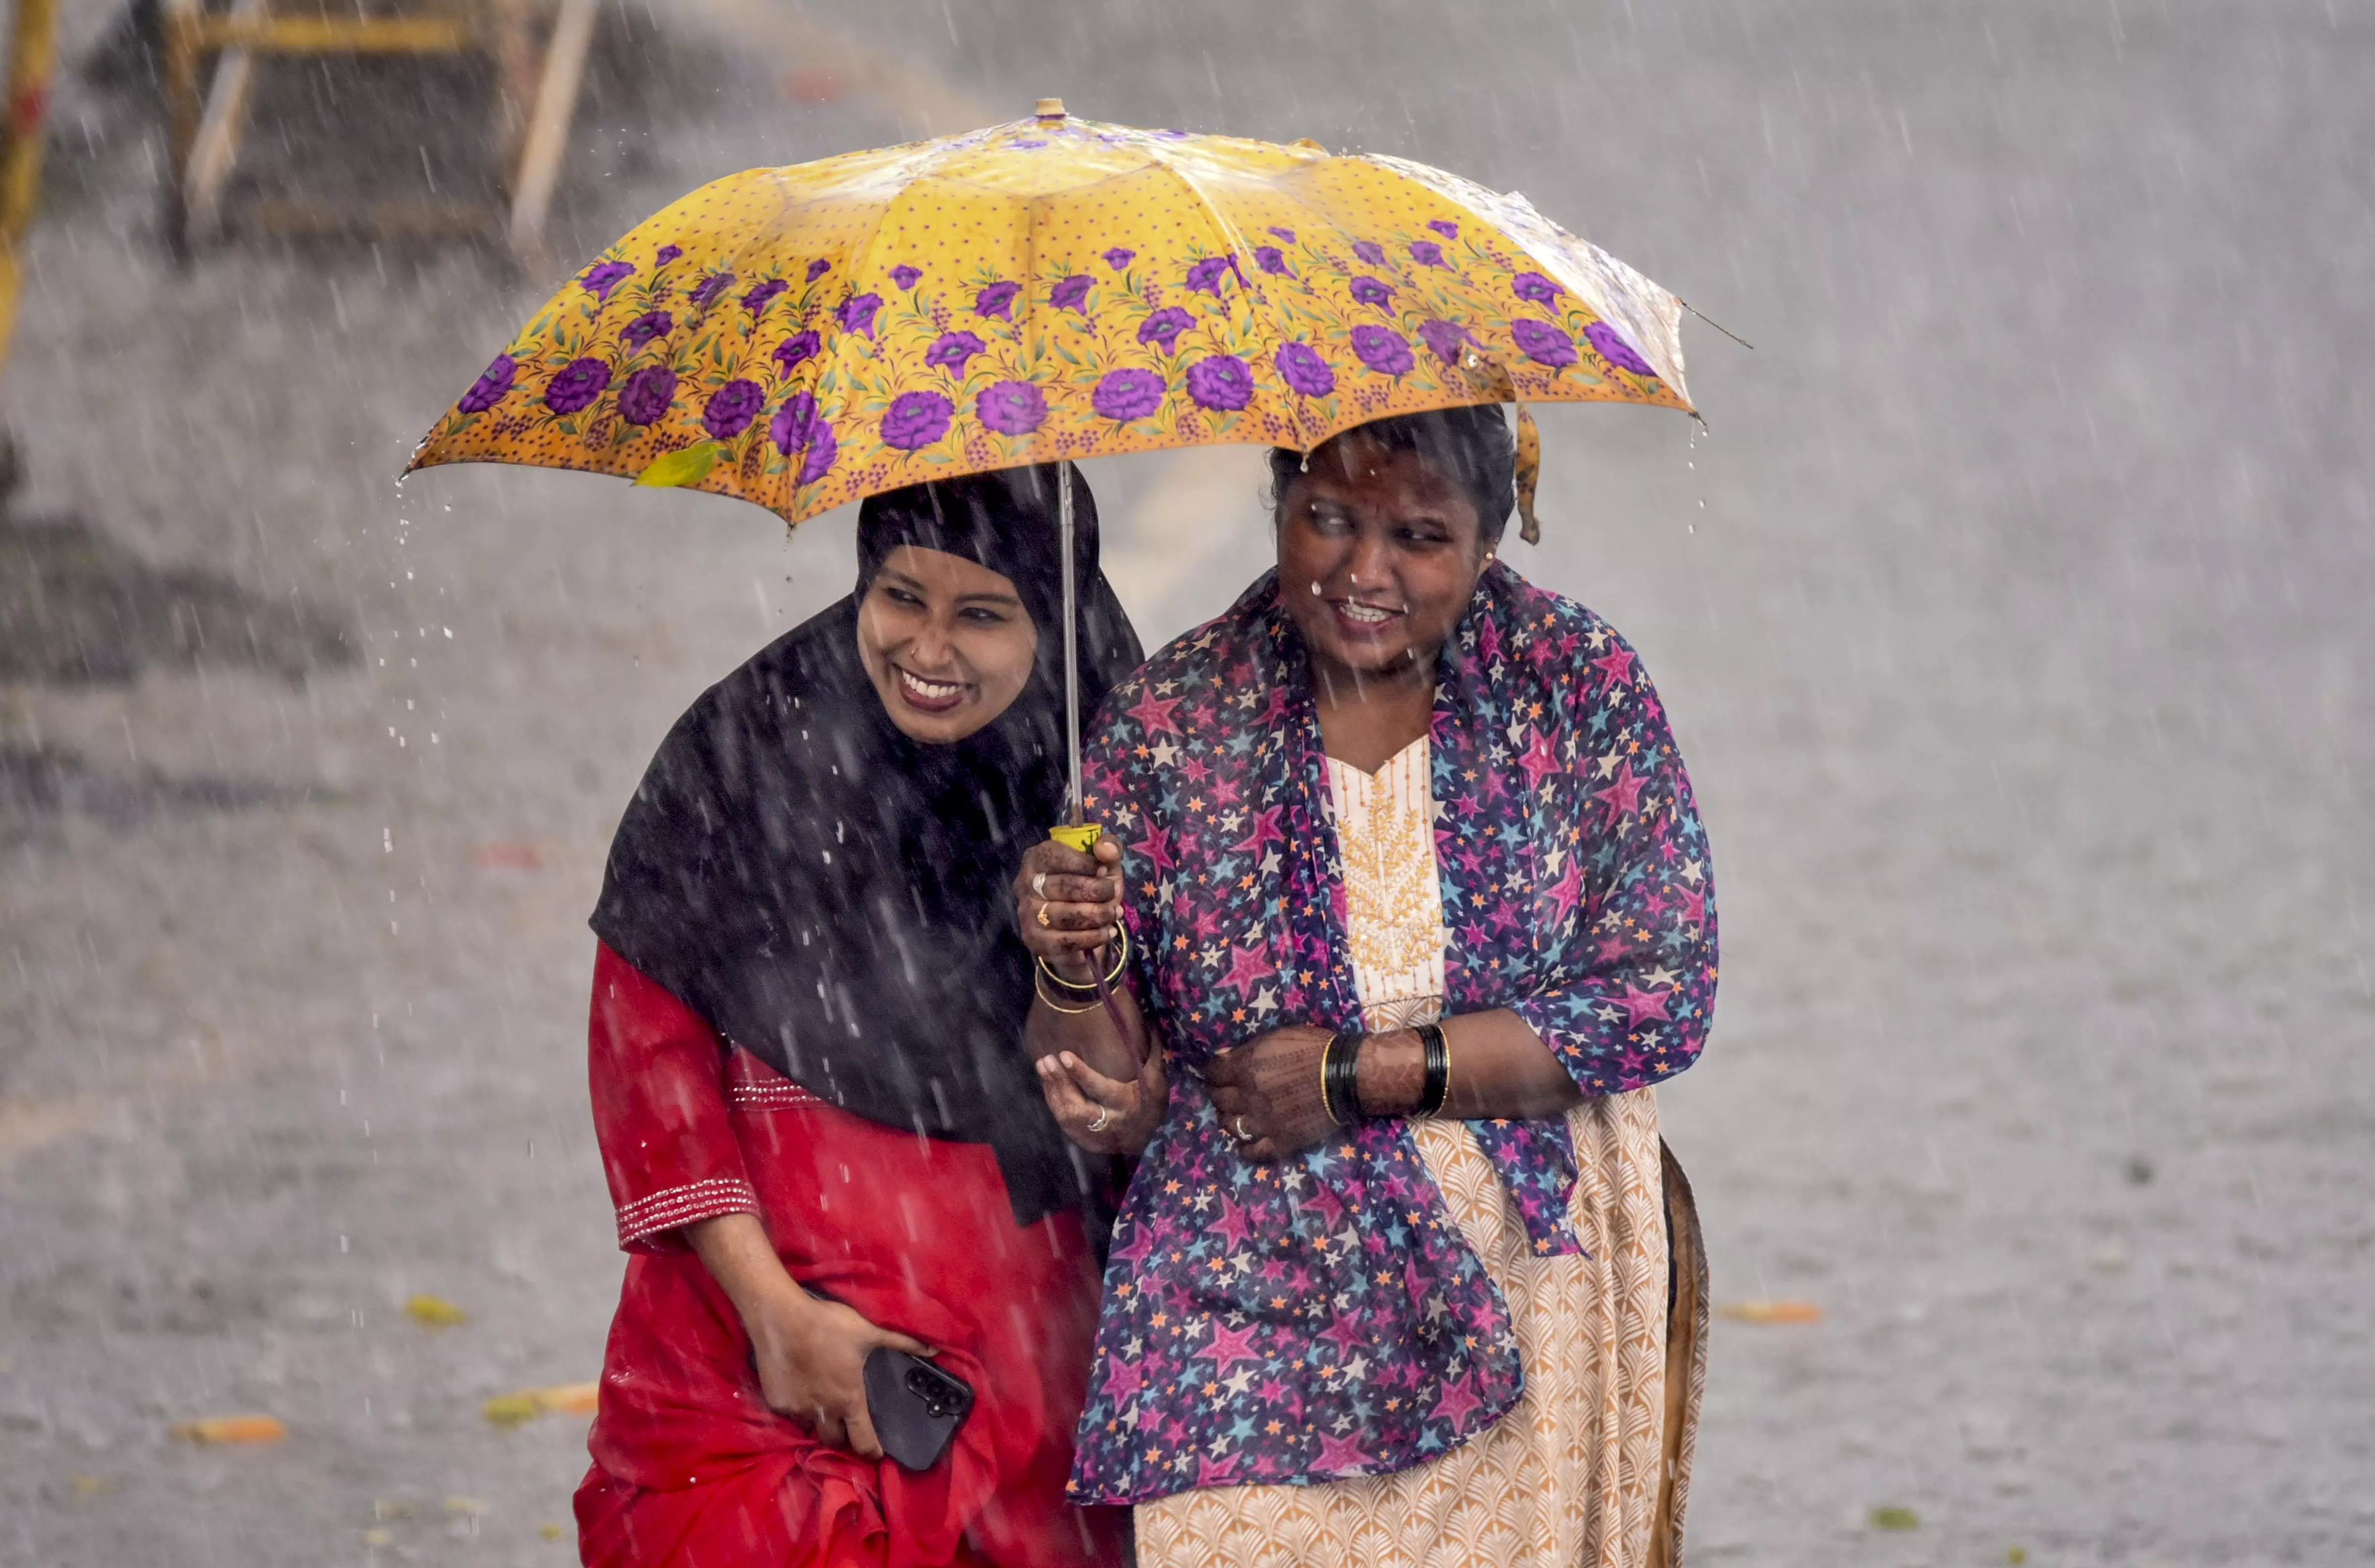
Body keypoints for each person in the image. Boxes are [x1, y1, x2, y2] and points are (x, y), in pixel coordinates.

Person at [1018, 406, 1714, 1568]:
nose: (1363, 572)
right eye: (1328, 519)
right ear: (1279, 504)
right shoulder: (1172, 717)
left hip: (1531, 1282)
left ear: (1493, 541)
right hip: (1244, 1288)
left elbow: (1660, 990)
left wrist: (1358, 1074)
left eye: (1420, 536)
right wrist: (1070, 951)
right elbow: (1104, 1081)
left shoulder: (1577, 687)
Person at [575, 466, 1141, 1568]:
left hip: (1031, 1393)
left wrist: (1077, 958)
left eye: (981, 614)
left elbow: (1149, 1117)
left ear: (1056, 617)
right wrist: (777, 1321)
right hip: (750, 1375)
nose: (928, 652)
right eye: (900, 598)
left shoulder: (1120, 774)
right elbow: (647, 1052)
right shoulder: (743, 749)